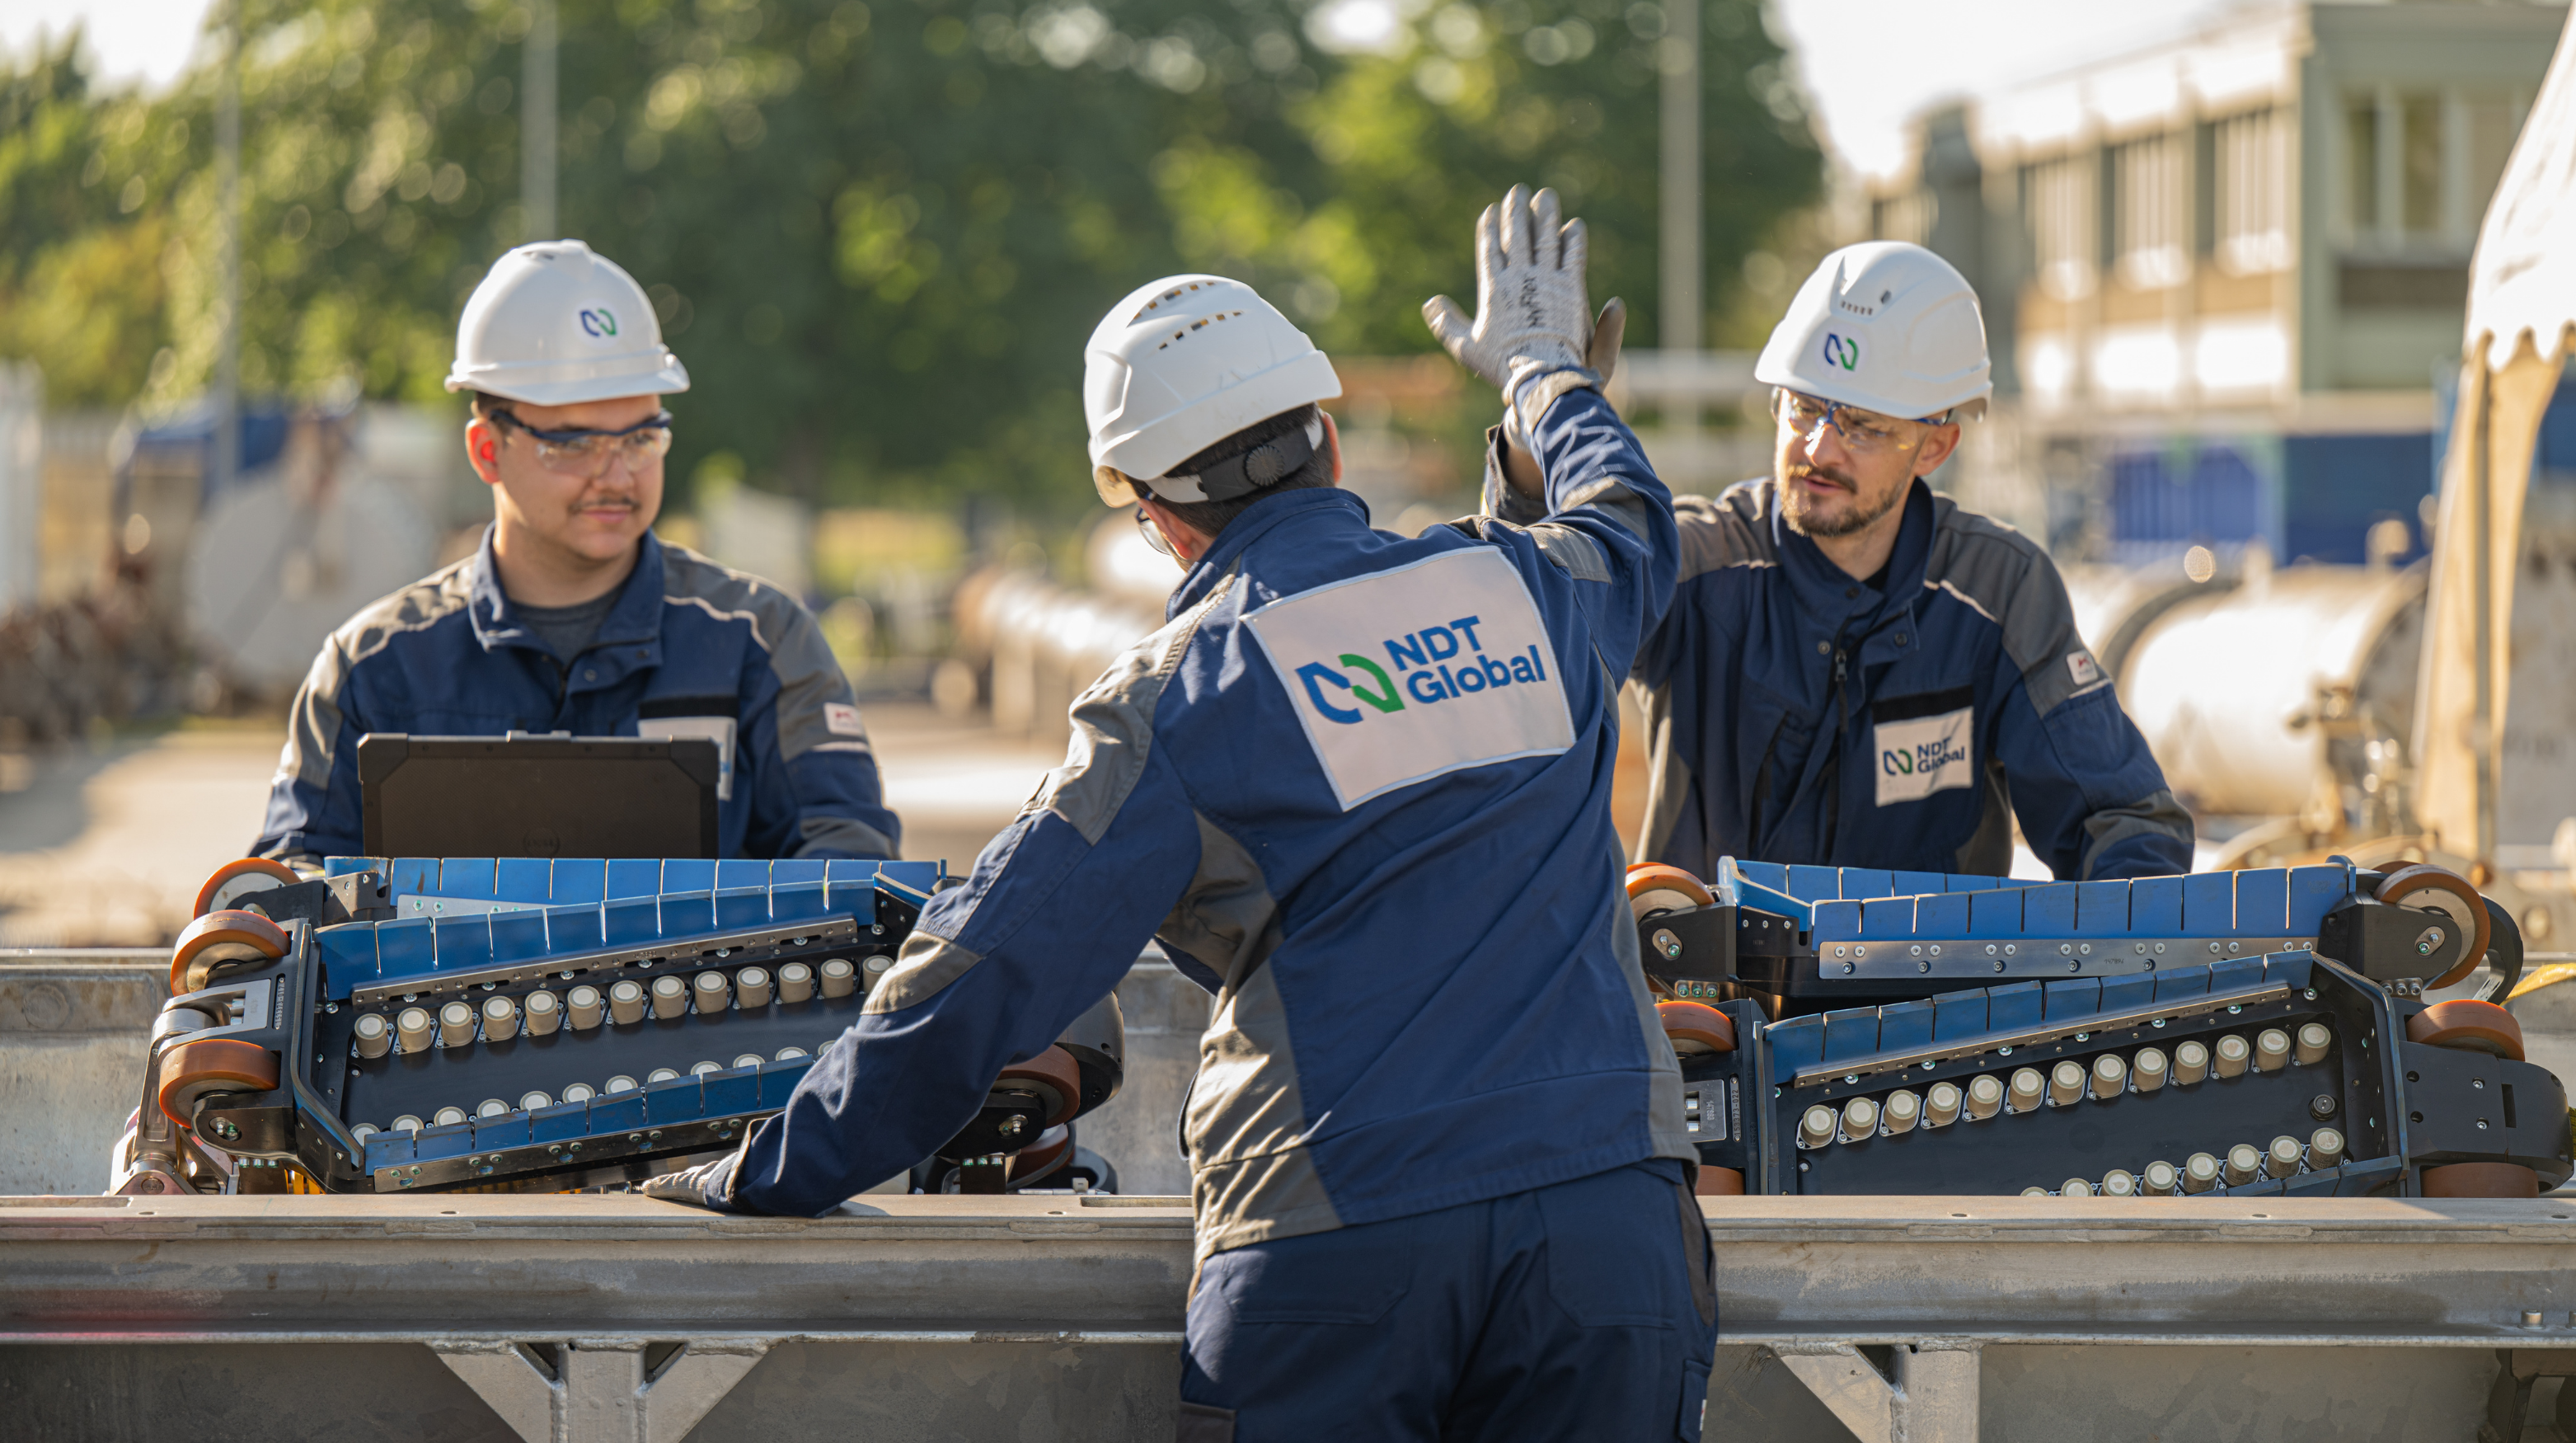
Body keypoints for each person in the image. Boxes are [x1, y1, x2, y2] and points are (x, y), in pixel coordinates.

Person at [642, 189, 1717, 1441]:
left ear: (1148, 508)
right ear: (1325, 431)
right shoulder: (1522, 585)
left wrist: (773, 1167)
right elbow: (1631, 518)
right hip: (1604, 1219)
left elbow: (978, 975)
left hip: (1337, 1242)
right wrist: (1540, 373)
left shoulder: (1176, 701)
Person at [251, 240, 899, 864]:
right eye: (573, 443)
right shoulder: (375, 668)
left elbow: (848, 857)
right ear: (486, 451)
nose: (615, 476)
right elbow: (293, 878)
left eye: (641, 438)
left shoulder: (759, 644)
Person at [1585, 240, 2191, 881]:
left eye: (1862, 425)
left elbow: (2121, 822)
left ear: (1934, 446)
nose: (1818, 448)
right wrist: (1534, 434)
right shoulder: (1698, 566)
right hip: (1707, 979)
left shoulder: (1997, 590)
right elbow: (1546, 605)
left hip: (1941, 983)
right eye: (1804, 407)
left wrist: (2123, 955)